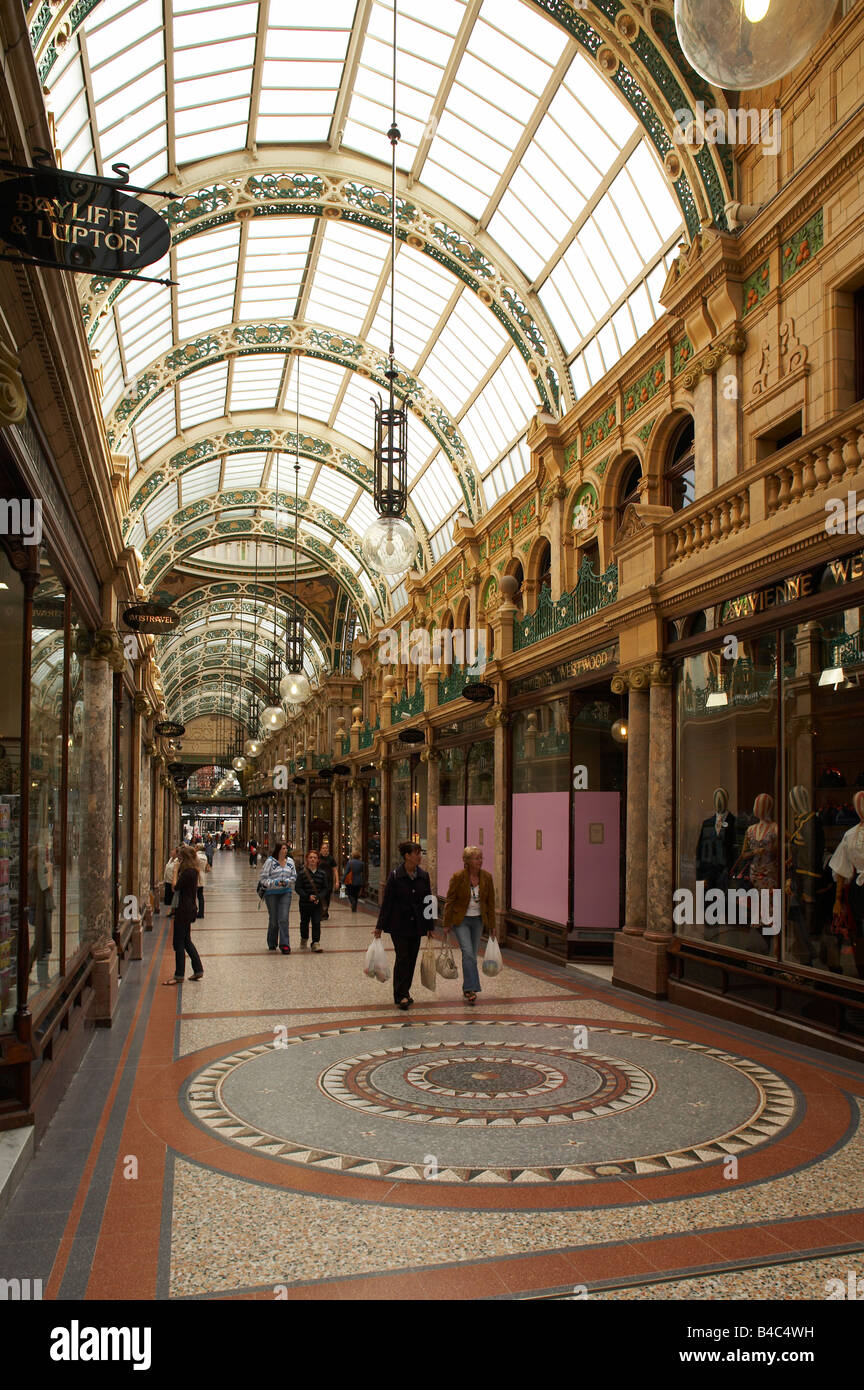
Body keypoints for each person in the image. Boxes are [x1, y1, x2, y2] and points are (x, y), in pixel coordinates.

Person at [374, 841, 434, 1010]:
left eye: (420, 853)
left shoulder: (424, 876)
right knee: (402, 958)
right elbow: (387, 903)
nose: (419, 856)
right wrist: (379, 926)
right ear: (407, 856)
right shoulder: (395, 876)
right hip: (398, 925)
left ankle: (404, 992)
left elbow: (428, 901)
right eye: (417, 853)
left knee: (412, 959)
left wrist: (430, 926)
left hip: (417, 925)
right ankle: (400, 994)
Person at [442, 845, 497, 1006]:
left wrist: (492, 926)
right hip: (461, 920)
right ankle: (471, 988)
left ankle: (468, 987)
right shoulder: (458, 877)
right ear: (467, 861)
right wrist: (446, 923)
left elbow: (490, 903)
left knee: (472, 954)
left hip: (478, 920)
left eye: (481, 858)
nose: (480, 861)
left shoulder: (487, 877)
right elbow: (450, 900)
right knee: (468, 953)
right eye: (476, 858)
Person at [163, 844, 203, 985]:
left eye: (180, 858)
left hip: (183, 910)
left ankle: (179, 974)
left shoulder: (188, 873)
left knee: (179, 942)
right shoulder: (193, 871)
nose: (178, 861)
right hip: (188, 908)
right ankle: (198, 969)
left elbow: (175, 887)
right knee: (186, 940)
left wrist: (175, 872)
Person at [258, 842, 297, 953]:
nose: (285, 851)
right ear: (278, 850)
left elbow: (294, 876)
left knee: (283, 918)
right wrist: (275, 883)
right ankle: (272, 942)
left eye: (286, 849)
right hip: (272, 894)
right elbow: (263, 878)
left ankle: (285, 944)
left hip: (286, 892)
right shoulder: (270, 862)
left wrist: (287, 882)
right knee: (274, 919)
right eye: (283, 848)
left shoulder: (290, 862)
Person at [296, 849, 328, 952]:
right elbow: (298, 888)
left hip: (317, 904)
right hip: (305, 903)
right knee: (304, 922)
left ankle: (315, 942)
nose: (313, 859)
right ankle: (304, 938)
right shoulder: (302, 873)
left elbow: (326, 888)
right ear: (307, 859)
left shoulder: (322, 874)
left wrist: (318, 897)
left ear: (318, 860)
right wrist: (307, 896)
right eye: (311, 857)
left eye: (315, 857)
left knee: (316, 922)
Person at [317, 839, 338, 920]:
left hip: (328, 881)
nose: (325, 850)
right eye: (323, 848)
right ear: (320, 849)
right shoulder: (318, 858)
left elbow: (335, 870)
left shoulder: (331, 859)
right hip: (319, 881)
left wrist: (336, 881)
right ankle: (321, 912)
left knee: (327, 897)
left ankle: (325, 912)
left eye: (326, 848)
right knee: (320, 896)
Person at [342, 848, 364, 913]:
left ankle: (353, 903)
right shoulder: (361, 863)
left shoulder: (350, 862)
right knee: (356, 895)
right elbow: (362, 872)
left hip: (350, 881)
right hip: (359, 881)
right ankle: (354, 908)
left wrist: (343, 879)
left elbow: (346, 871)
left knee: (349, 893)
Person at [163, 846, 179, 917]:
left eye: (173, 851)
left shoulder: (177, 861)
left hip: (173, 881)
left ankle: (175, 912)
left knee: (174, 898)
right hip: (168, 881)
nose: (171, 852)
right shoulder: (170, 859)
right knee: (170, 898)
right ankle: (172, 911)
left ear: (176, 853)